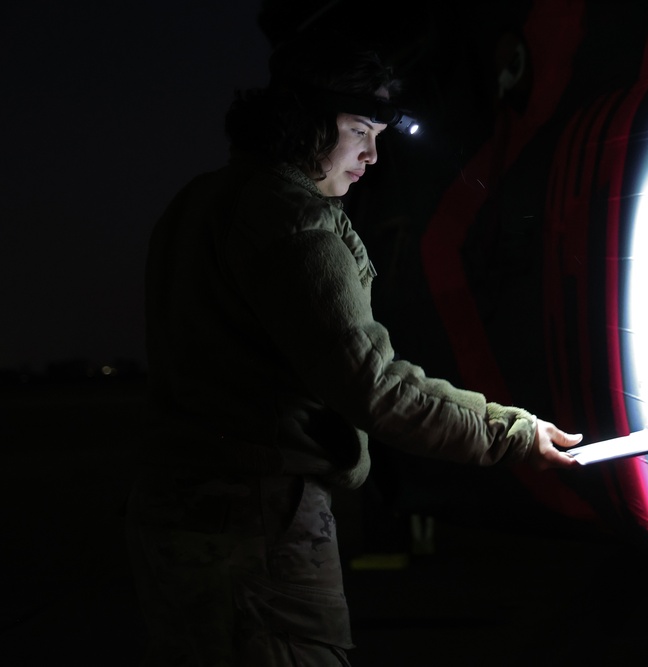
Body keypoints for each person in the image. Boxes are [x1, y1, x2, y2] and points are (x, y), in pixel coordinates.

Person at [124, 20, 583, 667]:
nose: (371, 157)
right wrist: (512, 432)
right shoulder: (294, 221)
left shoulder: (195, 203)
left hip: (175, 517)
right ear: (309, 121)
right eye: (361, 133)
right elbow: (376, 387)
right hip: (258, 525)